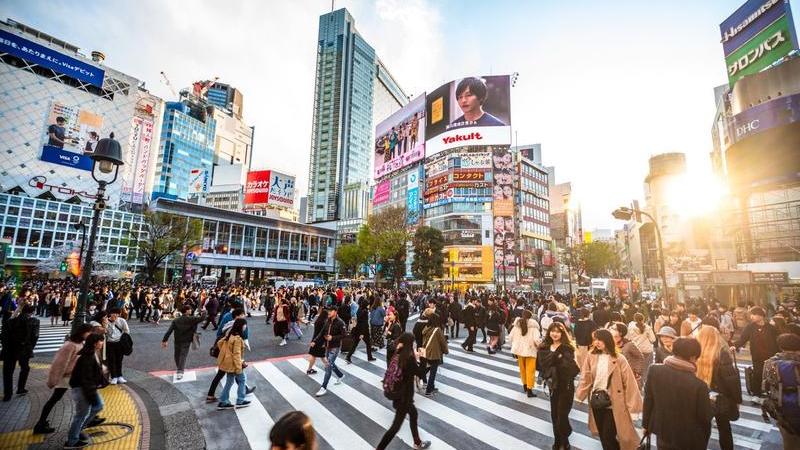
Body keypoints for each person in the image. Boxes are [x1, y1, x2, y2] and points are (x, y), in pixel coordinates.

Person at [575, 328, 642, 450]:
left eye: (600, 339)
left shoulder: (619, 358)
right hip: (597, 400)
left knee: (608, 435)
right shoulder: (591, 356)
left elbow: (629, 382)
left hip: (614, 402)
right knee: (603, 435)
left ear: (607, 340)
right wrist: (580, 395)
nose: (597, 342)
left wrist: (633, 406)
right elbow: (586, 376)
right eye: (595, 339)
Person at [643, 337, 714, 450]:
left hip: (663, 432)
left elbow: (648, 399)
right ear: (693, 357)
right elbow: (704, 419)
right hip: (688, 439)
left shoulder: (654, 370)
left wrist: (646, 425)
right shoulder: (699, 386)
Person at [34, 323, 94, 434]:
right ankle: (40, 424)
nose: (90, 334)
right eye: (89, 332)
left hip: (73, 376)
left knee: (82, 397)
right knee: (55, 399)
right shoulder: (70, 345)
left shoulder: (80, 343)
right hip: (66, 377)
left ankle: (41, 423)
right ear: (82, 332)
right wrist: (54, 379)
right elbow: (60, 364)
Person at [376, 332, 431, 450]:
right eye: (413, 342)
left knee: (413, 414)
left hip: (398, 395)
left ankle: (417, 442)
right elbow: (421, 373)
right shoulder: (409, 359)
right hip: (404, 398)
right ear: (410, 344)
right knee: (395, 427)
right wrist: (423, 358)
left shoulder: (398, 354)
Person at [696, 325, 741, 450]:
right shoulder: (722, 354)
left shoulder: (694, 354)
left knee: (702, 428)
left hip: (701, 397)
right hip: (720, 398)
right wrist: (737, 400)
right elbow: (731, 380)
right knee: (724, 427)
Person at [537, 322, 580, 450]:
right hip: (553, 386)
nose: (555, 334)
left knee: (562, 416)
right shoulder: (544, 347)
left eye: (558, 331)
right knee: (554, 416)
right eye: (552, 331)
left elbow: (574, 369)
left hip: (566, 386)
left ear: (562, 333)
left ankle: (565, 438)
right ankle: (558, 442)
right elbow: (539, 366)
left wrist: (557, 360)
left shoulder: (567, 348)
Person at [65, 333, 106, 448]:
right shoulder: (87, 356)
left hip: (88, 388)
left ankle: (78, 430)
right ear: (94, 343)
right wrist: (91, 395)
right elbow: (85, 378)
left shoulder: (93, 353)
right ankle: (72, 441)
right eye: (101, 341)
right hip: (82, 388)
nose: (102, 343)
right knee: (81, 415)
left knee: (99, 406)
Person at [762, 333, 800, 449]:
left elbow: (765, 386)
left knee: (789, 441)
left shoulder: (769, 363)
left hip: (782, 408)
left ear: (780, 346)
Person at [731, 306, 779, 397]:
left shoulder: (771, 328)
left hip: (771, 356)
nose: (751, 317)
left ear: (761, 315)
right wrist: (734, 346)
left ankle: (772, 393)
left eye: (754, 314)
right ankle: (757, 394)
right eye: (751, 315)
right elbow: (742, 339)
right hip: (757, 356)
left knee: (772, 375)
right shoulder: (750, 327)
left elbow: (777, 341)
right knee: (757, 374)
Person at [2, 304, 39, 401]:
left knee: (8, 372)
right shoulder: (34, 321)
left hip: (10, 350)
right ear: (32, 312)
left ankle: (7, 394)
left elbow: (4, 337)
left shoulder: (11, 321)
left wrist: (5, 348)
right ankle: (20, 388)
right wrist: (30, 347)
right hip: (24, 349)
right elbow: (35, 336)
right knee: (25, 368)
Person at [215, 318, 251, 410]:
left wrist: (227, 355)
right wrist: (239, 367)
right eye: (245, 325)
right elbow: (236, 354)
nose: (245, 327)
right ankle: (240, 400)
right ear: (241, 326)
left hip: (228, 363)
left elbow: (219, 343)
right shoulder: (238, 338)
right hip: (234, 364)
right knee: (242, 379)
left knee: (230, 381)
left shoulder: (230, 335)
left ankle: (223, 401)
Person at [162, 305, 205, 378]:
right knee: (183, 355)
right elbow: (202, 318)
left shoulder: (176, 320)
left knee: (177, 355)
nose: (191, 310)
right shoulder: (192, 319)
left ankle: (179, 368)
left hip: (177, 340)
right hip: (187, 340)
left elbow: (169, 331)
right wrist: (204, 311)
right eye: (190, 309)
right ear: (187, 311)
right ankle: (180, 371)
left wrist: (165, 340)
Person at [508, 310, 541, 397]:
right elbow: (537, 340)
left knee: (522, 369)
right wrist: (540, 346)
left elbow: (510, 337)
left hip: (519, 351)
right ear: (531, 317)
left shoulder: (516, 326)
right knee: (530, 371)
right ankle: (530, 390)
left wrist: (514, 345)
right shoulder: (534, 327)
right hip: (530, 350)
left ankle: (525, 386)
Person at [315, 306, 346, 397]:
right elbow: (322, 332)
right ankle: (340, 375)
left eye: (331, 311)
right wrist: (315, 341)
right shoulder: (327, 321)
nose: (328, 312)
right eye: (328, 311)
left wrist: (333, 338)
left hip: (335, 347)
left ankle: (323, 387)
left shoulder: (340, 322)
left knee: (328, 365)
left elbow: (344, 334)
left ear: (335, 312)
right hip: (328, 346)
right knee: (331, 363)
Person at [419, 309, 448, 397]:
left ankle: (430, 385)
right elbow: (443, 342)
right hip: (434, 353)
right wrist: (446, 351)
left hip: (426, 352)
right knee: (433, 372)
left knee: (429, 368)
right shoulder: (437, 330)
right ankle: (429, 390)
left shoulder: (426, 328)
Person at [345, 298, 375, 363]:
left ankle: (348, 356)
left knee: (355, 343)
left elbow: (358, 320)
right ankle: (369, 357)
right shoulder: (365, 311)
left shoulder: (359, 309)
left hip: (358, 329)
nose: (368, 305)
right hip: (364, 330)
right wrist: (362, 333)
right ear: (366, 304)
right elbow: (364, 323)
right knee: (368, 343)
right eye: (368, 304)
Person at [105, 308, 129, 385]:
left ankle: (120, 376)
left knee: (119, 360)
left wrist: (123, 339)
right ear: (110, 313)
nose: (115, 315)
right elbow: (105, 332)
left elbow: (126, 331)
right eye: (113, 313)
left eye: (117, 313)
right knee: (112, 360)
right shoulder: (106, 321)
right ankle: (114, 377)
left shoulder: (122, 321)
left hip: (119, 343)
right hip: (109, 343)